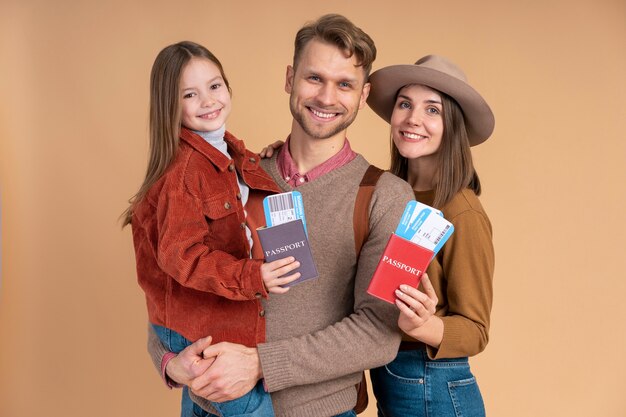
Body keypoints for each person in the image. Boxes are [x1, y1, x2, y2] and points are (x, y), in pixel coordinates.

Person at [147, 15, 415, 417]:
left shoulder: (387, 197)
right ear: (289, 78)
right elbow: (172, 282)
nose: (327, 97)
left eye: (345, 84)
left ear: (364, 95)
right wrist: (170, 363)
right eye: (314, 78)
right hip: (206, 403)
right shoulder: (234, 175)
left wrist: (259, 364)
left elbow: (378, 332)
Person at [122, 41, 303, 417]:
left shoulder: (230, 153)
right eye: (190, 94)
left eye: (215, 86)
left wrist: (267, 160)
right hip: (199, 332)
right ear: (170, 106)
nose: (208, 101)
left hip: (213, 324)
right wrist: (253, 276)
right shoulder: (183, 171)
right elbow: (183, 256)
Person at [365, 55, 496, 416]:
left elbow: (476, 330)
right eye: (405, 104)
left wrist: (425, 325)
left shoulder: (461, 212)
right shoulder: (386, 195)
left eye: (432, 110)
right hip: (392, 379)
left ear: (452, 125)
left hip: (432, 385)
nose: (413, 119)